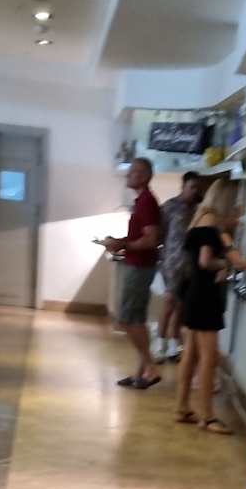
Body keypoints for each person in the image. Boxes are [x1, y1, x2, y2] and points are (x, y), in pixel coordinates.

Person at [173, 179, 246, 436]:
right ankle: (207, 416)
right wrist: (230, 265)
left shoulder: (198, 221)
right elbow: (206, 261)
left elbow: (211, 259)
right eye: (236, 203)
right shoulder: (210, 227)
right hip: (205, 296)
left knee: (190, 354)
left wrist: (234, 258)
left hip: (193, 293)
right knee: (209, 359)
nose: (239, 209)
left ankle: (182, 407)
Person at [101, 157, 162, 389]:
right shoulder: (142, 201)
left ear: (145, 176)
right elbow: (141, 237)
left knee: (127, 320)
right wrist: (119, 242)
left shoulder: (146, 202)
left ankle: (151, 367)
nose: (128, 175)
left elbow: (151, 239)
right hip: (137, 264)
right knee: (136, 320)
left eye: (134, 172)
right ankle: (141, 372)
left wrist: (123, 245)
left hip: (140, 267)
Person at [154, 170, 202, 362]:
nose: (194, 191)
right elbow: (160, 234)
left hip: (191, 265)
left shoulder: (199, 209)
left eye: (197, 188)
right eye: (192, 187)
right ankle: (160, 344)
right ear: (183, 186)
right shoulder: (170, 207)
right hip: (172, 263)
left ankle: (174, 346)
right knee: (168, 304)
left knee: (180, 307)